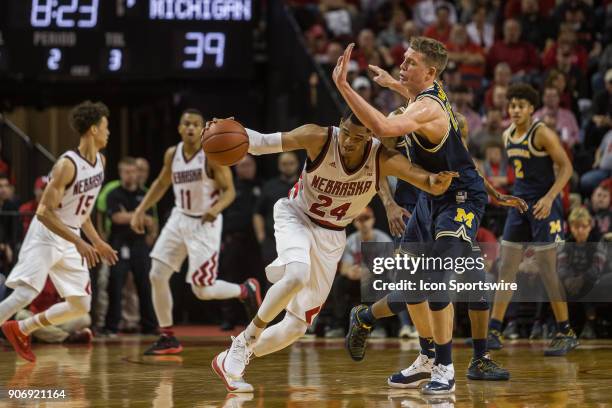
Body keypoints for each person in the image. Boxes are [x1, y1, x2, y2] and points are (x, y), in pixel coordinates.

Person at [211, 111, 457, 393]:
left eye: (358, 137)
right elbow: (262, 142)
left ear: (370, 137)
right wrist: (225, 128)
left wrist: (441, 179)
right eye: (347, 132)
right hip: (297, 216)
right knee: (297, 275)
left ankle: (231, 358)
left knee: (296, 327)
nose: (349, 141)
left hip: (332, 234)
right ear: (341, 126)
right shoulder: (319, 137)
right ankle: (245, 341)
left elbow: (425, 180)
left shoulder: (382, 159)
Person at [333, 37, 525, 394]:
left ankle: (446, 368)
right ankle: (425, 357)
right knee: (410, 284)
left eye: (409, 63)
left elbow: (384, 129)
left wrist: (343, 85)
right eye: (402, 60)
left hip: (460, 198)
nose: (401, 66)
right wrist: (395, 84)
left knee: (440, 278)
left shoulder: (427, 108)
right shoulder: (424, 97)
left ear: (430, 72)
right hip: (430, 198)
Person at [130, 109, 262, 355]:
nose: (190, 128)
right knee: (157, 274)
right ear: (180, 128)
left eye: (195, 124)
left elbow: (229, 191)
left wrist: (217, 208)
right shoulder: (173, 154)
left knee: (202, 290)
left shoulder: (211, 154)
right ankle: (167, 336)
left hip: (205, 223)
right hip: (179, 218)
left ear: (202, 129)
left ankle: (246, 290)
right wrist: (140, 209)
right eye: (186, 124)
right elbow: (160, 183)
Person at [0, 100, 118, 362]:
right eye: (105, 126)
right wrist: (79, 242)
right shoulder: (67, 165)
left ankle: (21, 328)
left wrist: (96, 241)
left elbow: (82, 211)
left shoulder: (101, 161)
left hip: (70, 236)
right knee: (26, 293)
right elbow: (43, 212)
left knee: (81, 305)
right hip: (46, 235)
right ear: (93, 130)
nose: (109, 132)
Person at [488, 83, 578, 356]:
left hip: (544, 206)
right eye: (511, 105)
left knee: (547, 270)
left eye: (520, 106)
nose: (514, 110)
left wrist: (551, 198)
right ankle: (494, 329)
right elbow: (520, 174)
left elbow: (567, 168)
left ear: (530, 109)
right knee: (506, 268)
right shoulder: (506, 135)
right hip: (520, 204)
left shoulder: (542, 133)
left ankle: (565, 330)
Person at [103, 157, 158, 335]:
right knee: (115, 284)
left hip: (139, 244)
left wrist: (129, 215)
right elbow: (116, 217)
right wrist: (139, 216)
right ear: (120, 173)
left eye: (133, 171)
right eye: (126, 171)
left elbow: (151, 221)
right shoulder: (114, 194)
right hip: (118, 243)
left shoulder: (145, 194)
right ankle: (111, 326)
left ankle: (149, 326)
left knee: (144, 285)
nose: (130, 175)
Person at [325, 207, 392, 339]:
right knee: (339, 282)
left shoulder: (382, 239)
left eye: (366, 219)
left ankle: (379, 327)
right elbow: (344, 267)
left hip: (376, 281)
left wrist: (368, 271)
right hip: (357, 281)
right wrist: (350, 272)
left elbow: (389, 265)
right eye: (360, 220)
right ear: (355, 222)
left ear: (373, 220)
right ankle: (337, 325)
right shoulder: (351, 240)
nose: (363, 223)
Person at [253, 152, 300, 266]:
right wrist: (261, 237)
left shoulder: (304, 186)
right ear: (279, 165)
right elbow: (258, 213)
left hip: (298, 241)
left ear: (298, 164)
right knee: (272, 279)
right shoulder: (269, 186)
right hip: (272, 242)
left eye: (291, 163)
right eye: (284, 164)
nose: (288, 167)